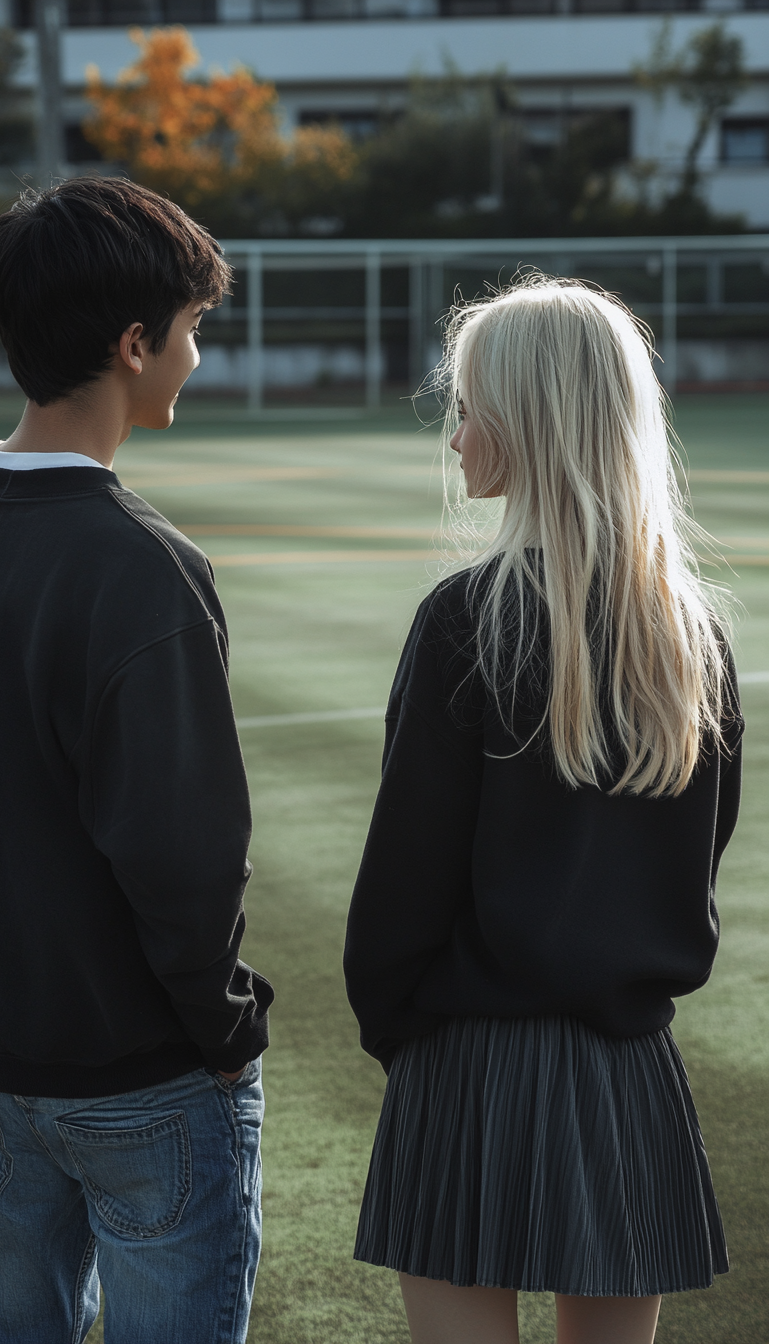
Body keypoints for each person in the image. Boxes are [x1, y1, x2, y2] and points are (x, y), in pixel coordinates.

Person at [0, 177, 273, 1344]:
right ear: (133, 342)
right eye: (191, 329)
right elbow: (187, 859)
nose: (196, 356)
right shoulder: (144, 567)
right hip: (140, 1074)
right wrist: (223, 1029)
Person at [343, 277, 743, 1344]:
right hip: (626, 1069)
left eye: (467, 409)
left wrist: (398, 1031)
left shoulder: (464, 621)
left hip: (467, 1061)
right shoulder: (692, 639)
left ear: (527, 426)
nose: (455, 437)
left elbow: (401, 884)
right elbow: (693, 865)